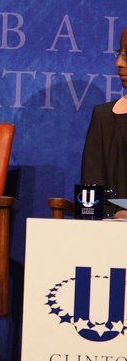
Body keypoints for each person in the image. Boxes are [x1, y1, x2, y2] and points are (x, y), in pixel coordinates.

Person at [81, 27, 127, 218]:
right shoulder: (104, 118)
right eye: (120, 53)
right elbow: (89, 202)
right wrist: (115, 214)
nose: (118, 63)